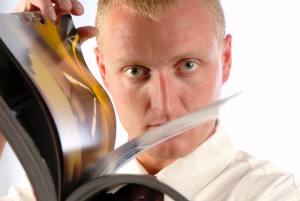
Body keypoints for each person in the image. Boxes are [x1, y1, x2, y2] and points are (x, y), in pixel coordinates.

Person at [3, 0, 300, 200]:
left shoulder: (275, 194)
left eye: (187, 66)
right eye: (135, 71)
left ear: (225, 58)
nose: (164, 105)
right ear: (103, 72)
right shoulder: (48, 192)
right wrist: (8, 67)